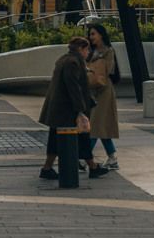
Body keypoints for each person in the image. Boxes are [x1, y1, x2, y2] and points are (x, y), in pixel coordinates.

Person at [38, 36, 108, 180]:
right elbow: (74, 87)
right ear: (81, 49)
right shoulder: (74, 62)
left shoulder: (64, 59)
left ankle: (47, 168)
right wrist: (80, 109)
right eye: (87, 49)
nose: (88, 52)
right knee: (82, 137)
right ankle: (92, 167)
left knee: (55, 139)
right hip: (67, 109)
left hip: (58, 108)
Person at [85, 24, 120, 170]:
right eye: (90, 34)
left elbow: (108, 70)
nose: (91, 37)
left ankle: (83, 156)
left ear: (101, 35)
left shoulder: (108, 51)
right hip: (93, 89)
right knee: (101, 125)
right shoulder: (90, 51)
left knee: (94, 125)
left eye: (93, 34)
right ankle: (112, 157)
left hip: (104, 90)